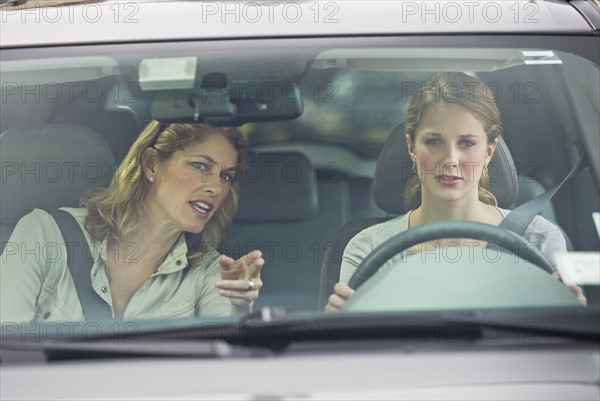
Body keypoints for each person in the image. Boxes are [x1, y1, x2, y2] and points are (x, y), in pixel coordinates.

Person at [325, 72, 586, 312]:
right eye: (434, 141)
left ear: (488, 151)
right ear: (411, 147)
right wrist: (337, 329)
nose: (450, 159)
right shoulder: (368, 246)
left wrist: (573, 317)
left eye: (466, 143)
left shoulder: (539, 239)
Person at [1, 120, 265, 322]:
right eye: (199, 166)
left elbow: (220, 373)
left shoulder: (209, 272)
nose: (216, 188)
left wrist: (239, 307)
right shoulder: (45, 234)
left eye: (226, 176)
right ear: (151, 165)